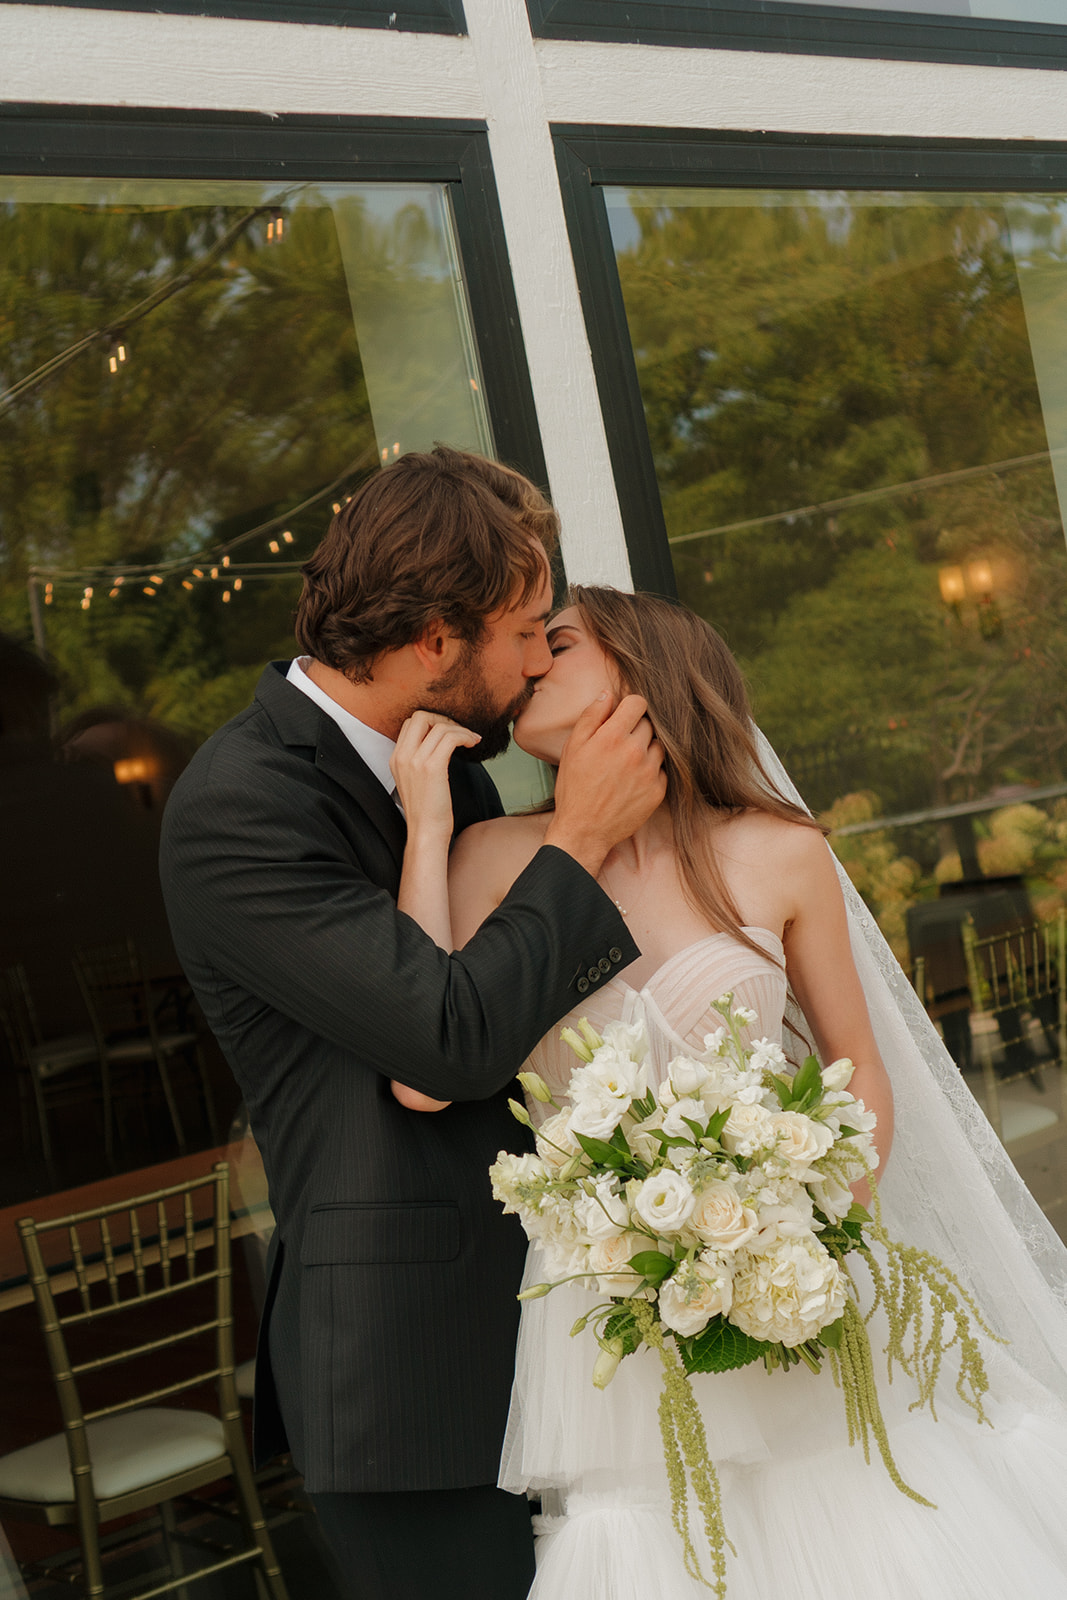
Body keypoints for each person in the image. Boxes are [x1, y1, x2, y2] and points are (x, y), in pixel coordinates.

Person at [391, 584, 1067, 1599]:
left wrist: (806, 1233)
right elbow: (419, 1080)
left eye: (556, 642)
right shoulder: (487, 858)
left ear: (640, 669)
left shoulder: (778, 851)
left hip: (792, 1276)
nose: (528, 661)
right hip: (609, 1314)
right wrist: (423, 825)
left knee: (859, 1523)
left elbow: (858, 1065)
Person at [158, 451, 668, 1600]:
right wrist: (579, 839)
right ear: (437, 637)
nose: (543, 655)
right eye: (528, 630)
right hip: (410, 1385)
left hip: (559, 1347)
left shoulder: (456, 773)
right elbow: (445, 1035)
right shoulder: (240, 807)